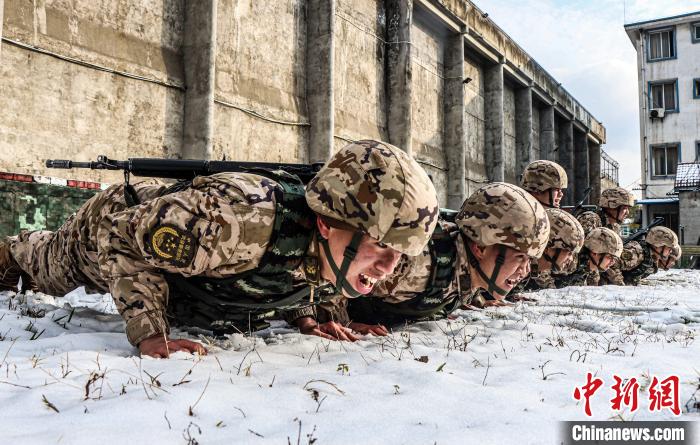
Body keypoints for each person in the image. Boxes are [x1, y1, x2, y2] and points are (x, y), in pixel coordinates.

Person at [0, 140, 439, 358]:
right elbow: (119, 236)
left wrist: (314, 317)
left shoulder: (334, 248)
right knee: (45, 269)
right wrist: (151, 334)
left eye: (400, 254)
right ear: (327, 223)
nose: (388, 267)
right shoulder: (236, 222)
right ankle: (8, 253)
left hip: (179, 256)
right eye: (381, 247)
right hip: (115, 228)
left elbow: (297, 271)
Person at [336, 182, 550, 326]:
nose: (525, 271)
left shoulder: (472, 270)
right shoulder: (418, 260)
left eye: (529, 260)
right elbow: (334, 273)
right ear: (481, 247)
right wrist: (336, 319)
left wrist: (477, 299)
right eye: (520, 258)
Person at [509, 208, 585, 295]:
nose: (571, 259)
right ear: (547, 247)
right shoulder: (513, 264)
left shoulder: (528, 268)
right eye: (568, 253)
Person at [553, 227, 623, 288]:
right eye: (610, 257)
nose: (612, 262)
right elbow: (544, 277)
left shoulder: (592, 270)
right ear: (595, 252)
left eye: (614, 258)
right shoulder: (570, 261)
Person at [608, 226, 678, 286]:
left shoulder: (650, 257)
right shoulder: (636, 252)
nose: (670, 251)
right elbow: (612, 264)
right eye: (669, 248)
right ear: (658, 245)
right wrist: (620, 285)